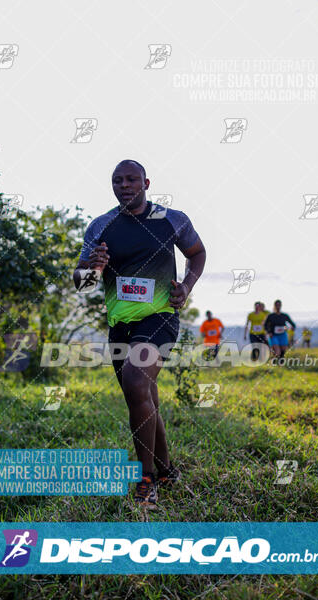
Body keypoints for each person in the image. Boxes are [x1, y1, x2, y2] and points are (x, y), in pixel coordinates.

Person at [73, 160, 206, 509]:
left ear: (146, 182)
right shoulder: (101, 227)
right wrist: (92, 267)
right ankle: (166, 471)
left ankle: (146, 480)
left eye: (131, 179)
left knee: (135, 381)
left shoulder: (172, 219)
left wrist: (187, 286)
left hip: (160, 318)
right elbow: (82, 285)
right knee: (143, 396)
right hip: (121, 326)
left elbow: (197, 253)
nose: (124, 185)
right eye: (117, 180)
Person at [264, 300, 296, 364]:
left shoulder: (284, 315)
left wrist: (292, 328)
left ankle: (280, 363)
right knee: (277, 352)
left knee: (283, 350)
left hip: (283, 335)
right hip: (273, 335)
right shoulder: (271, 316)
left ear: (281, 306)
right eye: (276, 305)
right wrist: (269, 332)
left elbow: (293, 324)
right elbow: (265, 325)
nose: (278, 306)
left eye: (279, 305)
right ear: (274, 306)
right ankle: (274, 363)